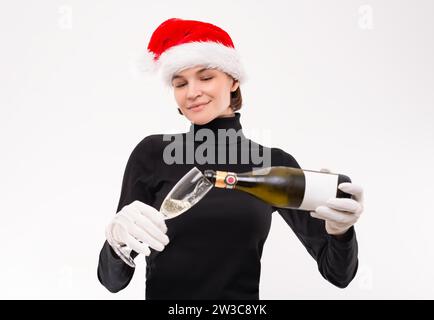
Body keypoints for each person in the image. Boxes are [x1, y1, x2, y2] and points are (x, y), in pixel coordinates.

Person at [97, 18, 364, 299]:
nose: (192, 92)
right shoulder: (153, 154)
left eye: (206, 77)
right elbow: (112, 282)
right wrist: (116, 243)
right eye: (180, 83)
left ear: (234, 79)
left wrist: (341, 232)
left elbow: (339, 275)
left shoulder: (272, 163)